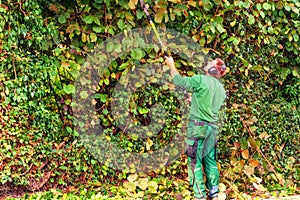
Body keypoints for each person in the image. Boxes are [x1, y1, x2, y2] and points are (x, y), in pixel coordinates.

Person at [164, 56, 227, 200]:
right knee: (210, 160)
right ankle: (214, 193)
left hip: (198, 127)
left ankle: (199, 195)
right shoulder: (220, 88)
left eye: (211, 63)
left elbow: (179, 81)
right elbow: (208, 102)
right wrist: (194, 99)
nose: (208, 63)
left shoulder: (200, 79)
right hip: (212, 129)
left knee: (194, 160)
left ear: (212, 69)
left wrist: (171, 65)